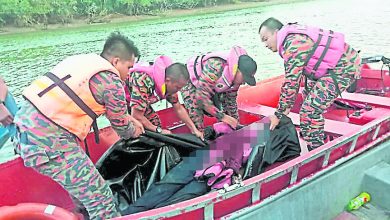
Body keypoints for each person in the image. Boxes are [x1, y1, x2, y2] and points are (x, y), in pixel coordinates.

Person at [13, 32, 144, 219]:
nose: (129, 73)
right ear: (116, 62)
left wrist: (127, 119)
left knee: (83, 194)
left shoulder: (81, 61)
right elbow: (121, 127)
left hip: (24, 134)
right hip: (50, 142)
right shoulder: (112, 81)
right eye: (129, 67)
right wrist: (135, 130)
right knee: (101, 199)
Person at [258, 17, 361, 150]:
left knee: (309, 110)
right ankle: (315, 131)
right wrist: (284, 108)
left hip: (344, 68)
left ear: (276, 32)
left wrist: (279, 114)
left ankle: (316, 149)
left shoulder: (294, 43)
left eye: (266, 39)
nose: (265, 45)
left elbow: (291, 81)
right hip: (333, 66)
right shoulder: (291, 38)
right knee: (307, 94)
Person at [181, 46, 258, 133]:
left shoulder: (236, 80)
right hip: (190, 81)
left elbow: (230, 103)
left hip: (211, 86)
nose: (244, 82)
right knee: (196, 115)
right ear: (237, 70)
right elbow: (201, 98)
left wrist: (236, 125)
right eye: (244, 78)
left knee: (230, 120)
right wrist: (223, 117)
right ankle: (200, 137)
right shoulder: (216, 66)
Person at [127, 55, 203, 139]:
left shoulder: (170, 85)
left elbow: (179, 108)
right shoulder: (143, 81)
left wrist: (194, 129)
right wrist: (159, 130)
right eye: (177, 87)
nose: (178, 91)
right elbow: (136, 116)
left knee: (155, 123)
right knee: (144, 130)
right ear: (167, 81)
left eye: (180, 88)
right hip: (124, 101)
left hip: (142, 101)